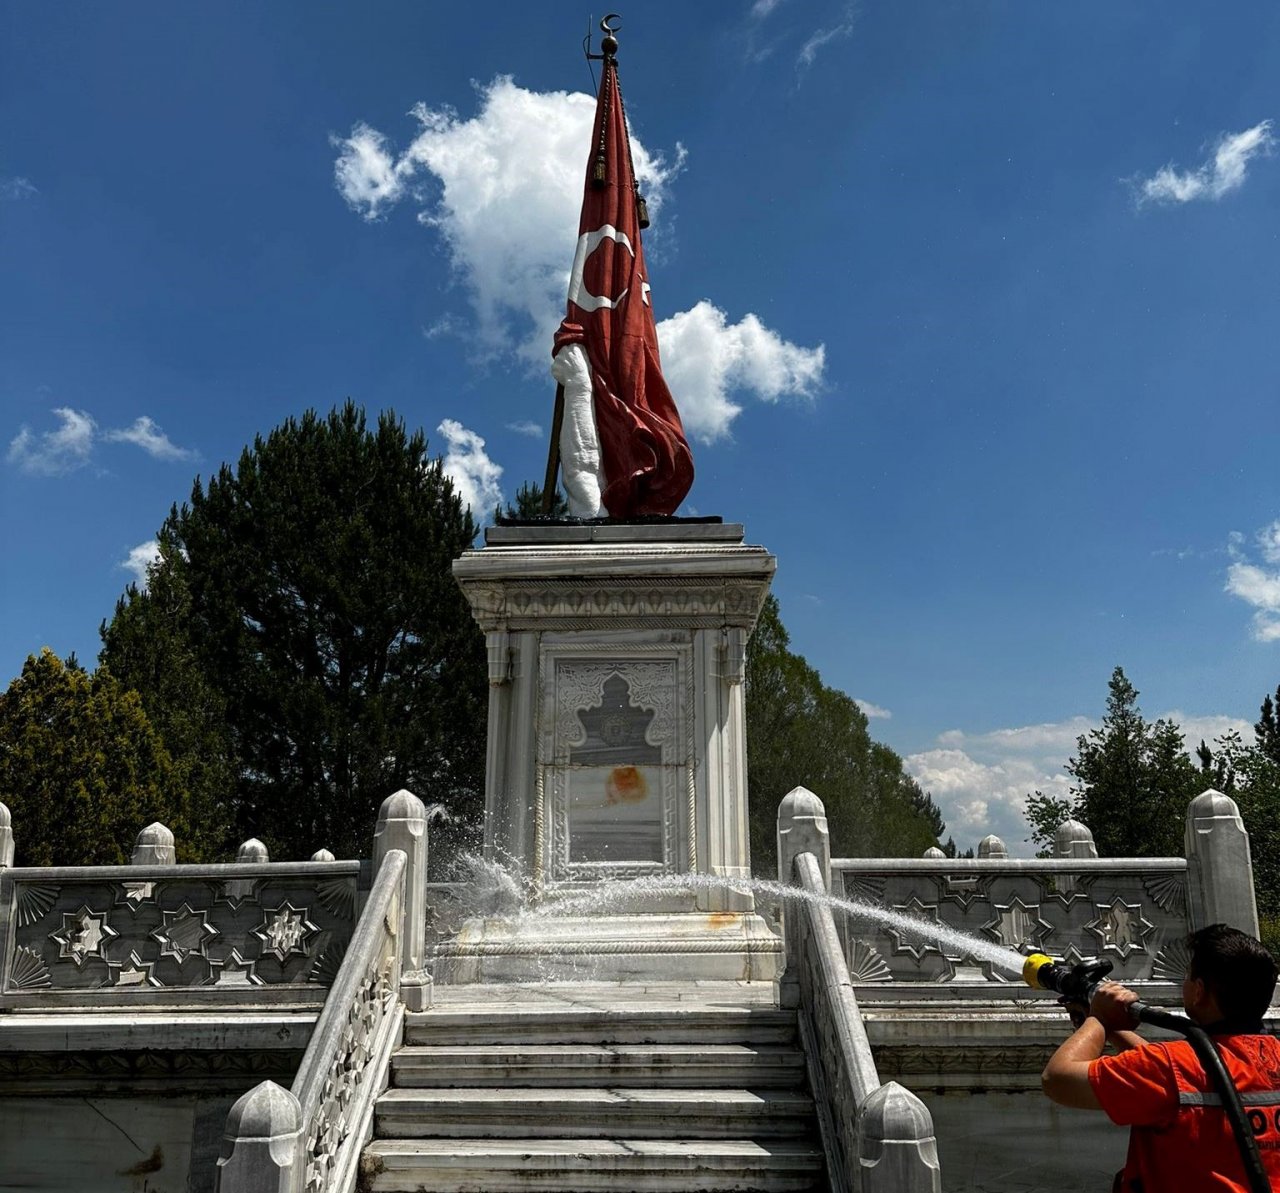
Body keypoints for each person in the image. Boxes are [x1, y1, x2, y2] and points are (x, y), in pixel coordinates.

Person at [1042, 924, 1280, 1192]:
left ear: (1199, 991)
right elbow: (1178, 1080)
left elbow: (1057, 1079)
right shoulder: (1270, 1056)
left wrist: (1098, 1018)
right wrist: (1109, 1027)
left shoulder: (1171, 1067)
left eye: (1187, 974)